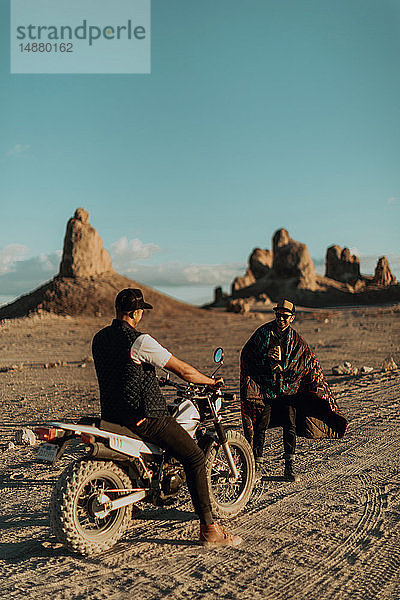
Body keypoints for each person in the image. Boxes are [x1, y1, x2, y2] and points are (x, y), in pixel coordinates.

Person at [92, 288, 242, 547]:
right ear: (136, 312)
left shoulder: (99, 338)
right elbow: (182, 370)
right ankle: (209, 529)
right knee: (194, 456)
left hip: (112, 416)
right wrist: (210, 380)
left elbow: (121, 371)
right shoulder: (140, 341)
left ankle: (135, 502)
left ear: (117, 311)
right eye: (140, 311)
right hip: (144, 416)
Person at [240, 299, 347, 482]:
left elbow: (307, 362)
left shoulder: (296, 340)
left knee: (290, 426)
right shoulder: (262, 333)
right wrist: (266, 359)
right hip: (264, 389)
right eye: (278, 315)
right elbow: (247, 355)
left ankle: (289, 468)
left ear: (292, 318)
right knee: (260, 426)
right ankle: (256, 468)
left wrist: (285, 369)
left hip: (288, 391)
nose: (280, 319)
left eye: (285, 316)